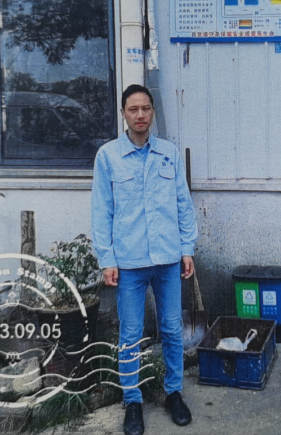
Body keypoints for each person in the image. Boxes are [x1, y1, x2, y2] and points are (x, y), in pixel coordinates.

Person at [92, 84, 198, 435]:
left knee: (171, 329)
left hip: (167, 258)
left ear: (153, 112)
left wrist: (186, 249)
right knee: (131, 334)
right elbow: (102, 210)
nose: (140, 115)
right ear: (123, 113)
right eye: (133, 109)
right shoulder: (108, 156)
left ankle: (173, 392)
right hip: (129, 262)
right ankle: (132, 400)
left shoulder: (168, 153)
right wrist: (107, 258)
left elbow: (183, 202)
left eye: (146, 108)